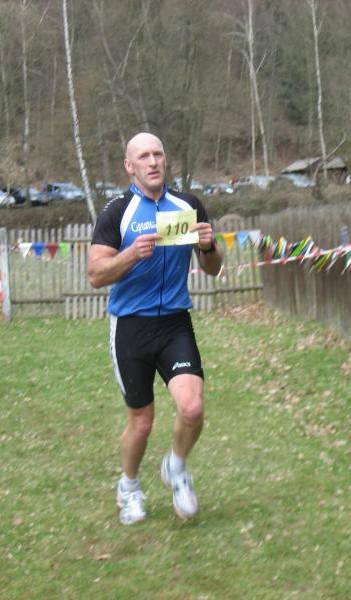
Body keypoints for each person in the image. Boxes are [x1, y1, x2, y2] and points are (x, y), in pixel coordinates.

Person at [87, 132, 223, 523]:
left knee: (192, 408)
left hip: (175, 323)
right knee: (142, 421)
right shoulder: (117, 212)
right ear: (129, 166)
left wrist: (208, 246)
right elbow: (96, 275)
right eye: (143, 156)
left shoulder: (188, 206)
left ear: (166, 160)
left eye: (158, 154)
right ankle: (129, 487)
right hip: (130, 327)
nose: (152, 162)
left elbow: (213, 268)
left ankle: (176, 468)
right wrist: (131, 254)